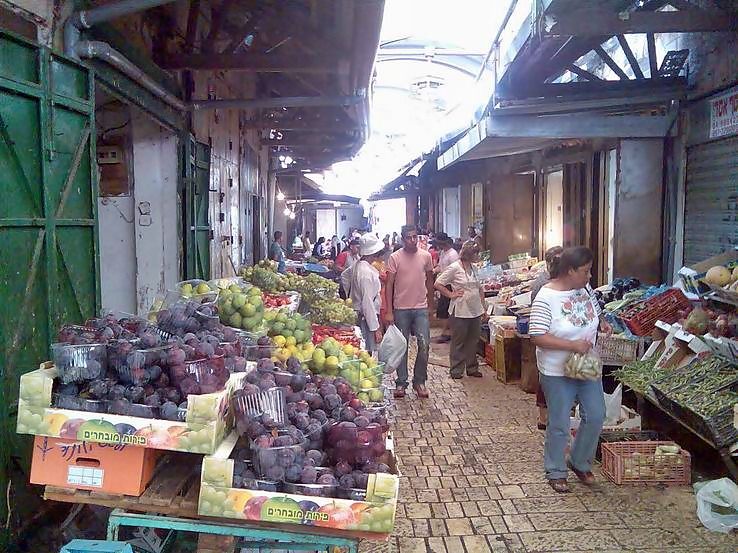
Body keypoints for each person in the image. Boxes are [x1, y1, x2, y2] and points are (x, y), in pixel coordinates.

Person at [529, 246, 613, 494]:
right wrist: (571, 344)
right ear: (570, 270)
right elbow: (537, 335)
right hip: (556, 369)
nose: (590, 277)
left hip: (585, 362)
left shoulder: (584, 289)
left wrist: (602, 323)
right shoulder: (546, 296)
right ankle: (555, 470)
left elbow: (594, 310)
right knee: (559, 421)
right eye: (585, 271)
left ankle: (579, 460)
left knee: (596, 414)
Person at [385, 225, 434, 399]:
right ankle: (401, 382)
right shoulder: (394, 258)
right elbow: (389, 285)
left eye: (414, 237)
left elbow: (430, 280)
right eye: (408, 237)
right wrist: (389, 311)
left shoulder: (426, 256)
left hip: (421, 307)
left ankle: (420, 381)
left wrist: (431, 305)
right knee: (401, 346)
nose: (412, 240)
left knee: (424, 345)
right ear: (402, 239)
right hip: (401, 309)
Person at [434, 242, 488, 379]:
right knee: (459, 340)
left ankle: (472, 367)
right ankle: (456, 369)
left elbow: (479, 289)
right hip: (460, 310)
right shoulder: (454, 268)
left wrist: (483, 308)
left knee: (473, 340)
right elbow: (438, 283)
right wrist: (451, 294)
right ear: (470, 254)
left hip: (475, 310)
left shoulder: (474, 268)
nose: (478, 256)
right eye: (476, 253)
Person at [531, 245, 564, 430]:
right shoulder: (542, 284)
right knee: (547, 377)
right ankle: (544, 416)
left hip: (564, 344)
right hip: (549, 340)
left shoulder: (574, 283)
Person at [344, 234, 385, 353]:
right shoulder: (366, 273)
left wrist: (351, 295)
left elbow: (344, 276)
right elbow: (368, 303)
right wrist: (375, 328)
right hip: (365, 317)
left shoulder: (358, 264)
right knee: (366, 350)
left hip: (360, 312)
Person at [431, 232, 460, 344]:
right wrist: (435, 270)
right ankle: (446, 331)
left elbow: (455, 271)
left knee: (446, 309)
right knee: (443, 309)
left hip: (450, 284)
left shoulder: (453, 255)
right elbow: (440, 266)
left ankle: (447, 332)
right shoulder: (443, 252)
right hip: (443, 282)